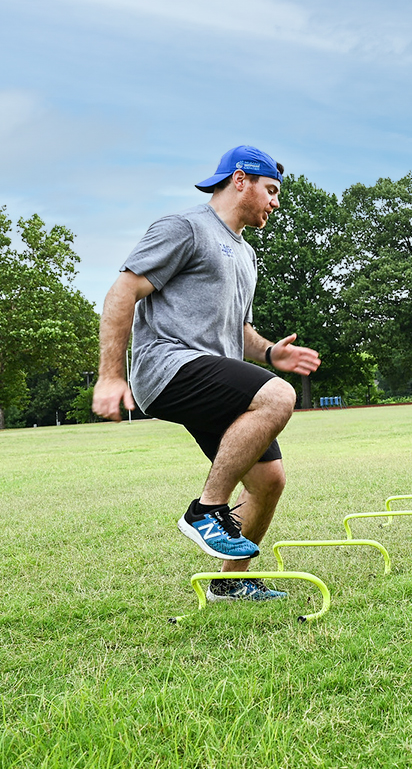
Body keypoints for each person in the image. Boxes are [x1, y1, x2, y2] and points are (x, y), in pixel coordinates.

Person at [92, 145, 321, 603]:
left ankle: (230, 582)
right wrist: (111, 375)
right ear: (241, 181)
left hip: (213, 375)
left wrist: (270, 352)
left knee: (268, 482)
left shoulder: (247, 255)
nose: (276, 202)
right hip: (168, 365)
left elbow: (238, 329)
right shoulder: (185, 228)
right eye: (271, 191)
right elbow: (123, 291)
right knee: (278, 398)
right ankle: (207, 510)